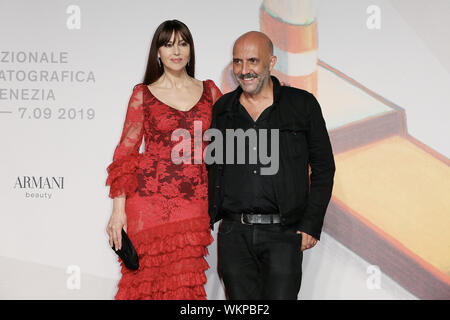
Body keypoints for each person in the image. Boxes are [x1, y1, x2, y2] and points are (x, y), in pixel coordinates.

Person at [207, 31, 335, 299]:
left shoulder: (302, 105)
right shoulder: (223, 109)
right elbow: (213, 168)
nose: (244, 70)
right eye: (238, 62)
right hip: (234, 234)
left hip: (284, 233)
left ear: (271, 62)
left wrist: (311, 224)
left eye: (253, 61)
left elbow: (324, 168)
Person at [105, 20, 222, 300]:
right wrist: (118, 211)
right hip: (148, 205)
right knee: (145, 284)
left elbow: (231, 141)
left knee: (185, 286)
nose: (176, 50)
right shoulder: (142, 94)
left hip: (195, 202)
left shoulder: (210, 92)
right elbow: (125, 153)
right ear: (157, 51)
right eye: (168, 44)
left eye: (182, 43)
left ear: (191, 49)